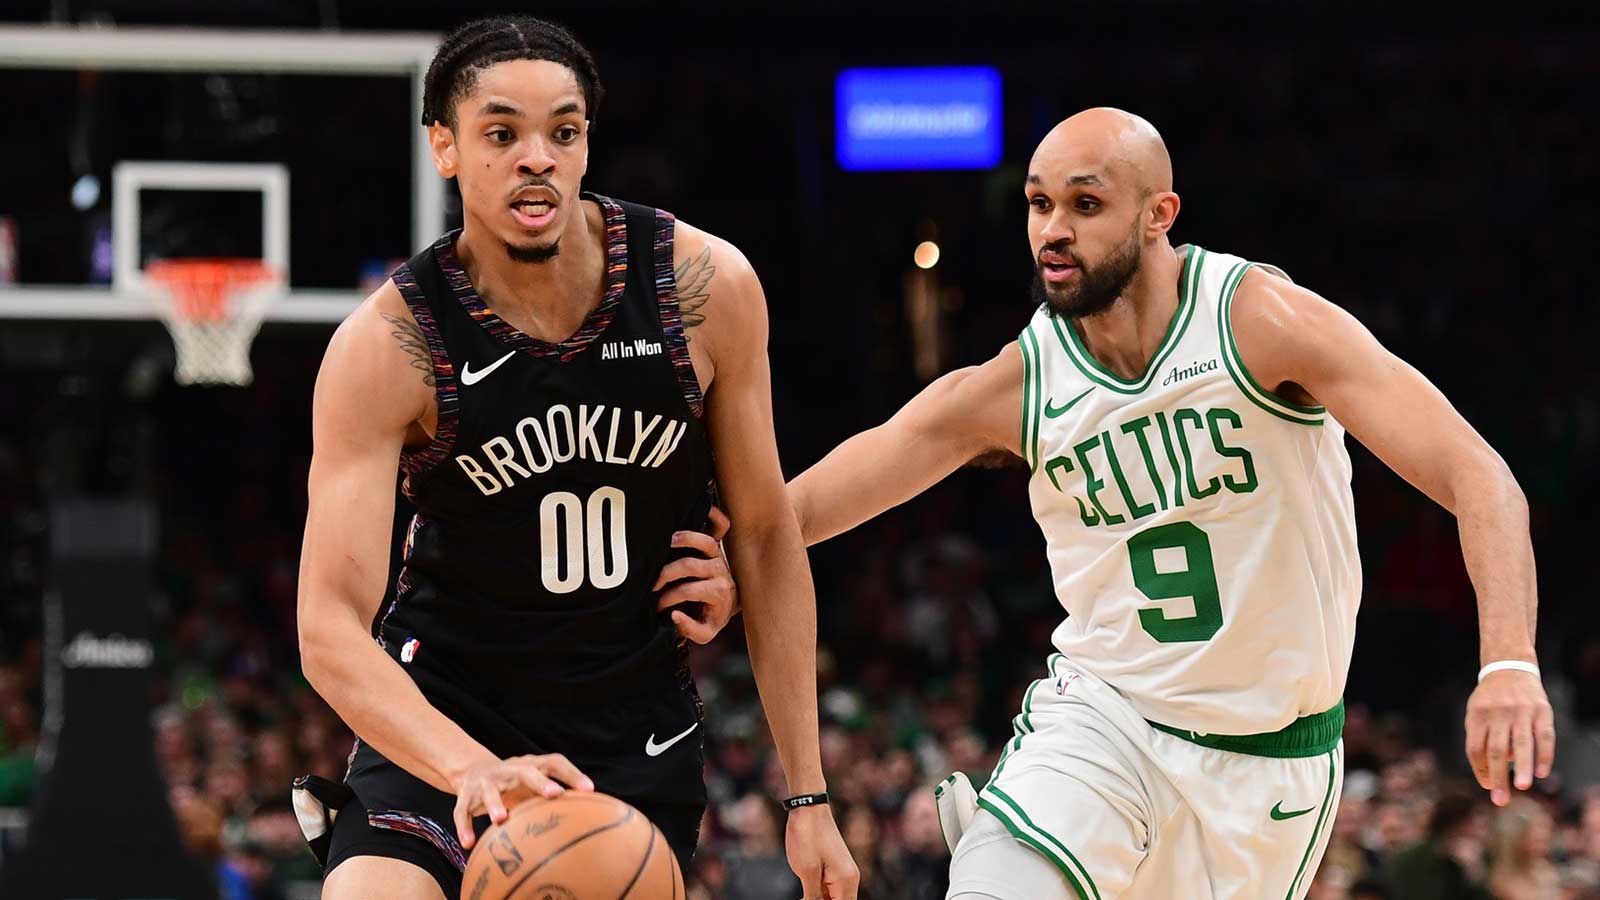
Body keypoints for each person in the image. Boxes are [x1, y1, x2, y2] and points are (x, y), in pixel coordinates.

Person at [772, 107, 1554, 898]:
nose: (1053, 229)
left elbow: (1477, 474)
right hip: (1103, 721)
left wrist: (1510, 663)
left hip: (1270, 765)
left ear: (1159, 216)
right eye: (1038, 204)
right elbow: (796, 513)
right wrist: (728, 565)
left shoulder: (1259, 324)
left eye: (1084, 204)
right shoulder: (1020, 384)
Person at [292, 15, 855, 900]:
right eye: (501, 133)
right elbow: (326, 626)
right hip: (448, 713)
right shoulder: (390, 343)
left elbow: (769, 538)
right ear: (444, 148)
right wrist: (476, 768)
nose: (537, 158)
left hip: (630, 727)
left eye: (563, 131)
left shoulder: (702, 289)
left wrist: (808, 793)